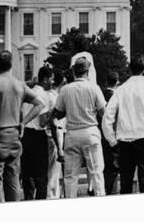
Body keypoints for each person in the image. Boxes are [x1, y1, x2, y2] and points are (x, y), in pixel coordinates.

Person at [0, 51, 44, 203]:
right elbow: (39, 104)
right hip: (14, 134)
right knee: (13, 180)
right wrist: (23, 123)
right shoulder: (19, 84)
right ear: (11, 64)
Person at [102, 54, 144, 194]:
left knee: (125, 181)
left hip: (125, 140)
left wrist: (112, 140)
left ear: (130, 68)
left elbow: (107, 117)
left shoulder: (121, 90)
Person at [49, 57, 106, 198]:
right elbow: (103, 112)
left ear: (74, 72)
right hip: (90, 131)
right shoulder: (94, 88)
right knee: (96, 173)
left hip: (72, 133)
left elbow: (58, 112)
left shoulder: (65, 89)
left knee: (70, 177)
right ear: (88, 72)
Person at [21, 65, 53, 200]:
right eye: (51, 79)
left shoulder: (28, 92)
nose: (52, 82)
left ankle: (28, 199)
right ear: (45, 79)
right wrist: (53, 113)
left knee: (27, 173)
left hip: (25, 134)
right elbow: (42, 122)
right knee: (41, 176)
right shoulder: (44, 96)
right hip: (38, 136)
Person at [46, 68, 66, 199]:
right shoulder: (55, 99)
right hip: (54, 136)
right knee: (54, 171)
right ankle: (52, 197)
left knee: (49, 171)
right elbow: (56, 125)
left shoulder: (46, 95)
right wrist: (60, 148)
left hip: (46, 136)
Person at [100, 71, 120, 195]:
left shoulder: (100, 95)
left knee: (102, 168)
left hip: (100, 136)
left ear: (106, 82)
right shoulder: (118, 97)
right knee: (114, 170)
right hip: (114, 135)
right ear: (117, 83)